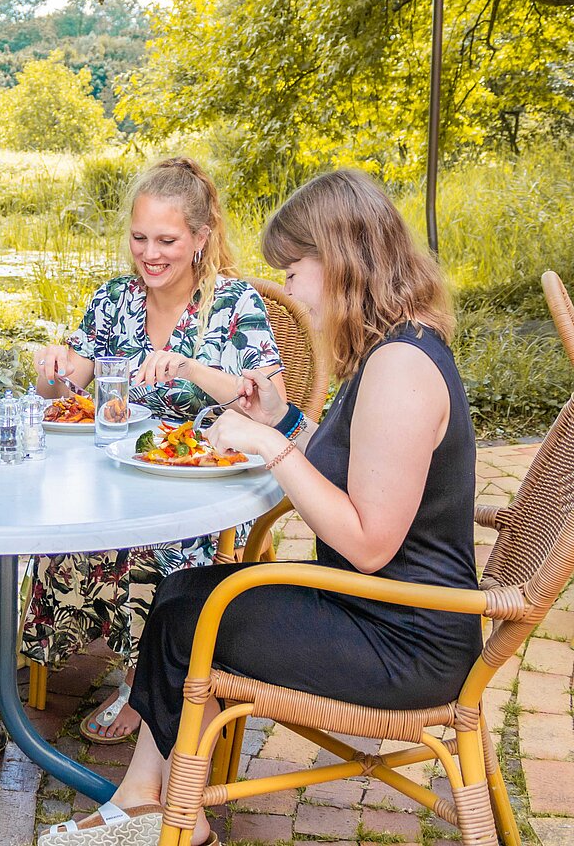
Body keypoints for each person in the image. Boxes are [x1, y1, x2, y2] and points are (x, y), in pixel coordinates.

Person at [39, 169, 481, 846]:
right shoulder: (395, 350)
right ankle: (144, 804)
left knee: (192, 617)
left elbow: (366, 543)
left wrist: (271, 447)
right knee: (184, 598)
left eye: (295, 270)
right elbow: (353, 473)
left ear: (340, 262)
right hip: (377, 610)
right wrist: (285, 421)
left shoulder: (402, 369)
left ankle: (169, 821)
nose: (293, 292)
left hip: (404, 641)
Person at [26, 157, 284, 744]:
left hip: (208, 489)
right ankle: (91, 656)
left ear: (201, 237)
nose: (151, 254)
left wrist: (194, 367)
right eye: (140, 238)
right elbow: (67, 387)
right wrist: (55, 368)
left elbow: (272, 401)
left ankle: (147, 680)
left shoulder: (235, 304)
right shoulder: (115, 300)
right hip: (121, 475)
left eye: (167, 239)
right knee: (63, 527)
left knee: (153, 543)